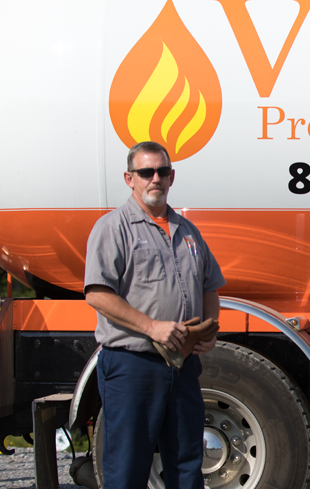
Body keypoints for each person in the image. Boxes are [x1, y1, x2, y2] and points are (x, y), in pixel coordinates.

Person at [84, 141, 225, 489]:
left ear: (172, 176)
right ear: (129, 178)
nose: (155, 179)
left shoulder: (188, 231)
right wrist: (152, 327)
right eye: (146, 172)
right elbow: (98, 294)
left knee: (188, 465)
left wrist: (207, 330)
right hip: (133, 367)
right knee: (128, 467)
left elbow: (210, 286)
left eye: (162, 171)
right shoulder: (113, 228)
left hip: (182, 365)